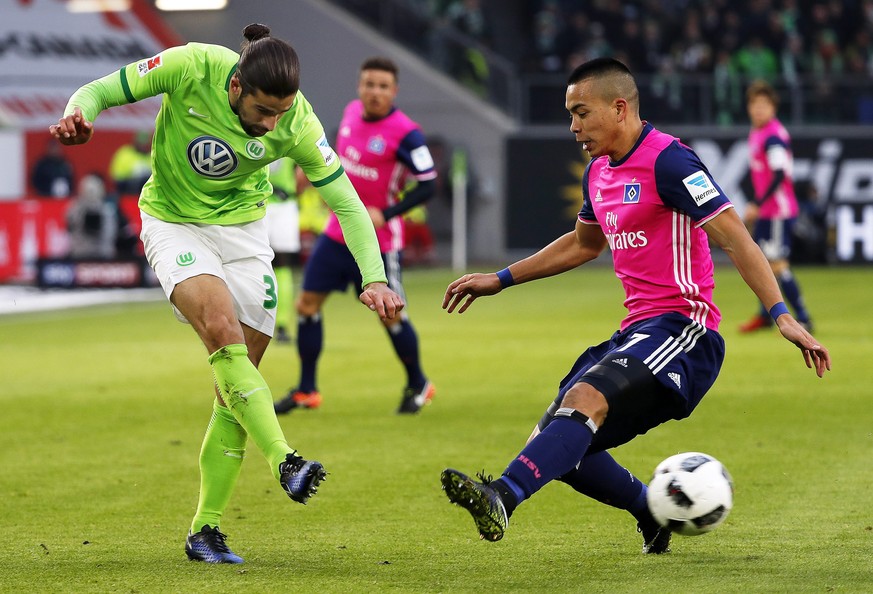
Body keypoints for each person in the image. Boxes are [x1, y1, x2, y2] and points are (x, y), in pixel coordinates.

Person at [439, 58, 830, 553]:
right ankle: (650, 512)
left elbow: (736, 238)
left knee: (582, 403)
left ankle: (501, 495)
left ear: (619, 108)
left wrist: (783, 316)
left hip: (686, 332)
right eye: (570, 115)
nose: (573, 127)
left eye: (582, 113)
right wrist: (501, 278)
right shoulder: (598, 173)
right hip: (638, 331)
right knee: (555, 441)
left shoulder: (671, 161)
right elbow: (583, 244)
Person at [50, 23, 404, 564]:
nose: (272, 125)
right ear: (236, 87)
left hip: (243, 233)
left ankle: (205, 530)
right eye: (264, 112)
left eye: (281, 113)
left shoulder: (297, 123)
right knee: (222, 332)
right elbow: (100, 90)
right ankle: (285, 458)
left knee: (235, 388)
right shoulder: (191, 66)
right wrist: (82, 115)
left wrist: (374, 277)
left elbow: (348, 203)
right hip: (172, 221)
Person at [274, 57, 438, 415]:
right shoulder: (349, 115)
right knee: (306, 306)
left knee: (390, 315)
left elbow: (429, 184)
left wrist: (387, 213)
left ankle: (419, 383)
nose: (374, 92)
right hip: (336, 234)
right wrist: (308, 171)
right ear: (359, 86)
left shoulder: (407, 132)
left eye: (382, 86)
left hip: (379, 242)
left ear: (394, 91)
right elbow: (333, 157)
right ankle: (306, 390)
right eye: (369, 84)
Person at [739, 80, 814, 333]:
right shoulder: (757, 132)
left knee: (778, 264)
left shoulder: (773, 136)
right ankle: (764, 315)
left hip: (778, 211)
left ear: (773, 107)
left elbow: (780, 174)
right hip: (766, 212)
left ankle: (804, 316)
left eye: (764, 104)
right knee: (760, 262)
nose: (758, 109)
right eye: (754, 104)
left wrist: (757, 204)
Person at [265, 157, 302, 343]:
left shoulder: (250, 129)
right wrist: (294, 191)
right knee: (282, 266)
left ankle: (250, 323)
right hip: (284, 204)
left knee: (252, 264)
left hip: (257, 204)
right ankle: (281, 326)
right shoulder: (289, 130)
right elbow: (303, 169)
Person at [66, 172, 117, 259]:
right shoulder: (75, 209)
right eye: (89, 191)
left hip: (102, 252)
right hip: (81, 252)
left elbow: (110, 234)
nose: (91, 194)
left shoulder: (106, 210)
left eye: (94, 190)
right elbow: (70, 228)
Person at [109, 129, 153, 195]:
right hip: (126, 191)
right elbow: (116, 176)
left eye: (145, 143)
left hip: (147, 193)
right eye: (140, 143)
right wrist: (133, 175)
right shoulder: (125, 153)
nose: (143, 146)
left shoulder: (152, 157)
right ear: (135, 141)